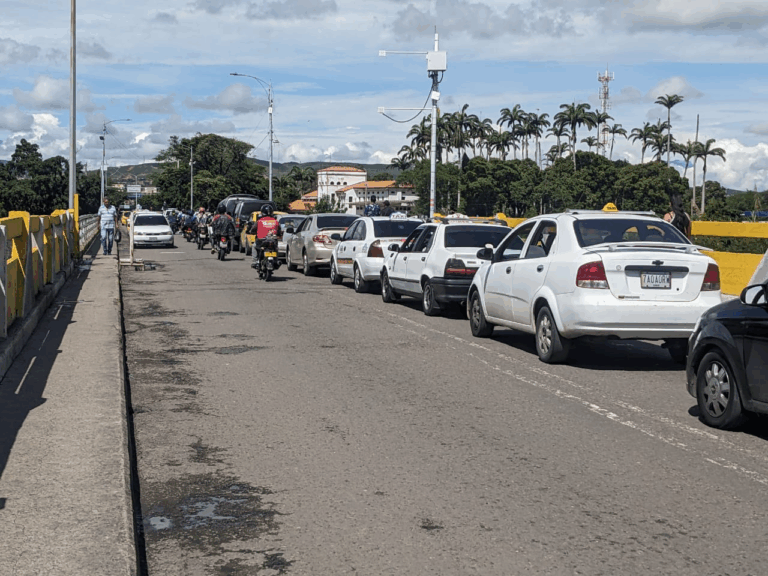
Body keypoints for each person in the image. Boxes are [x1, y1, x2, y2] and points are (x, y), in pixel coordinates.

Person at [251, 204, 280, 270]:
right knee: (276, 248)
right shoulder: (275, 221)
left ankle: (255, 261)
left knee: (254, 247)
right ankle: (276, 260)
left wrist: (251, 231)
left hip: (261, 240)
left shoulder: (259, 221)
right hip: (273, 240)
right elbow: (279, 230)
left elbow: (253, 229)